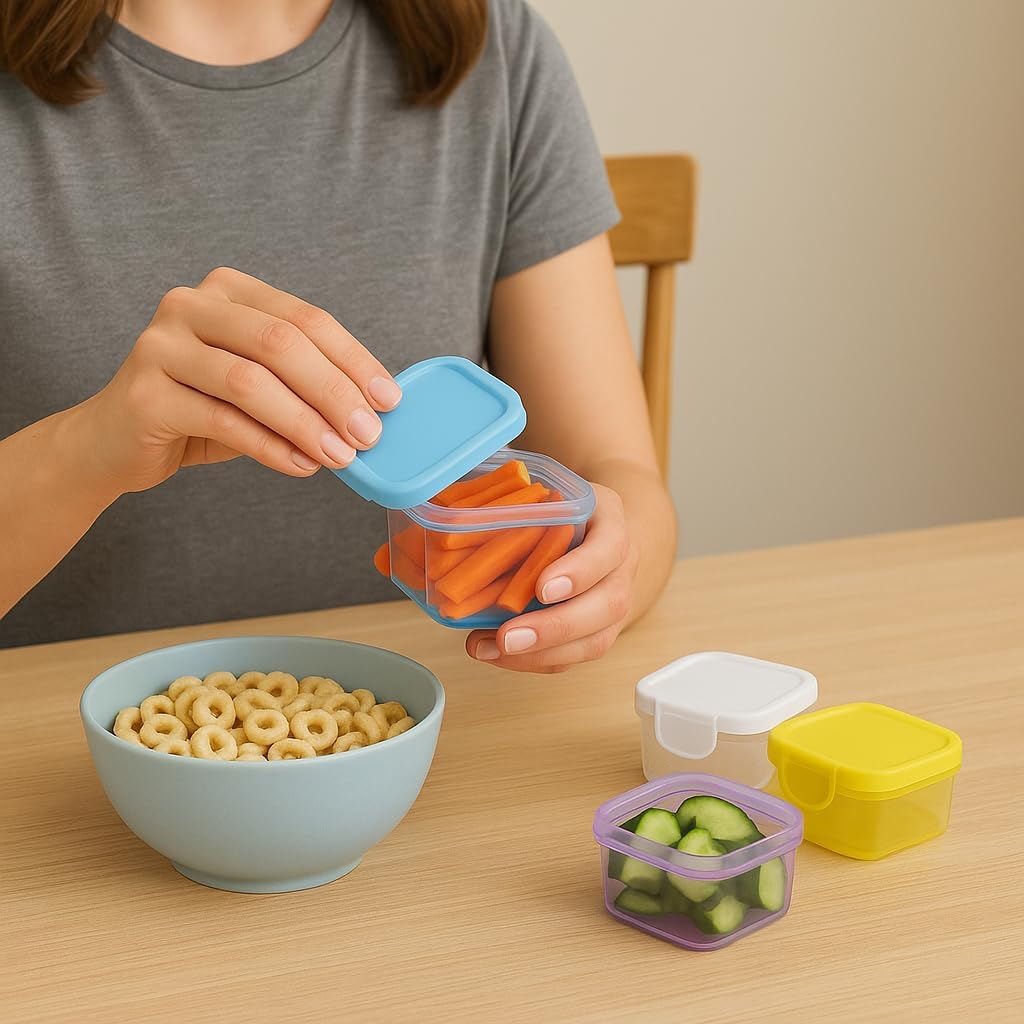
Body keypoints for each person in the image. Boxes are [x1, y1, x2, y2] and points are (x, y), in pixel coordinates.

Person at [0, 0, 676, 670]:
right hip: (55, 718)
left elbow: (616, 476)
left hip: (435, 705)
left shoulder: (495, 51)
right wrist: (84, 451)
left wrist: (607, 572)